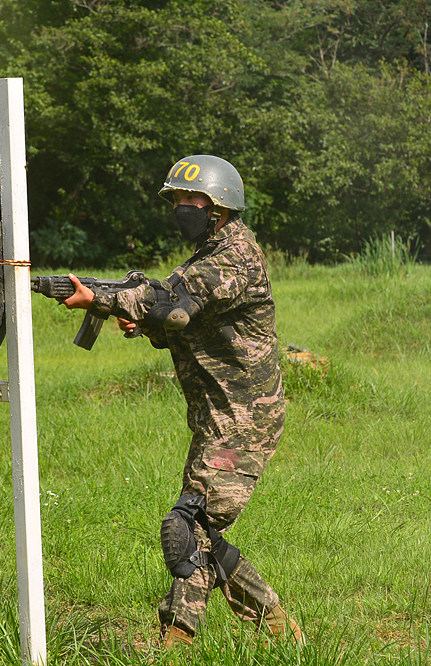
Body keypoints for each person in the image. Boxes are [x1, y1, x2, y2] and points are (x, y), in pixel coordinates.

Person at [61, 155, 304, 649]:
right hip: (219, 416)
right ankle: (277, 625)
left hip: (244, 420)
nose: (182, 208)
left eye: (193, 200)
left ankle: (176, 641)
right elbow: (174, 315)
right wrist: (142, 319)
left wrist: (101, 300)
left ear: (220, 207)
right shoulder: (203, 256)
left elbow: (172, 299)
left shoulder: (237, 256)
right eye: (177, 200)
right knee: (201, 532)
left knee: (187, 525)